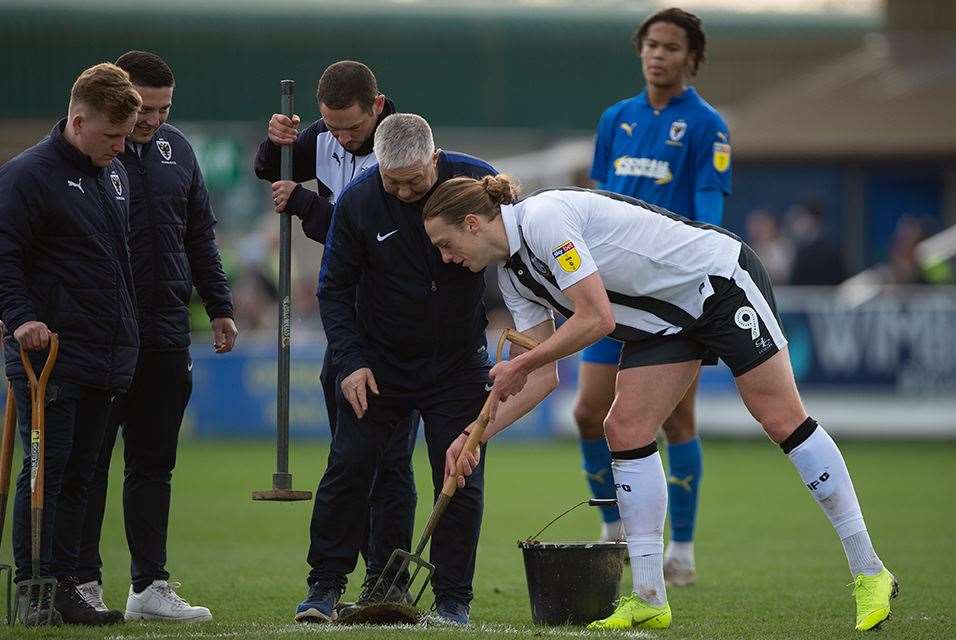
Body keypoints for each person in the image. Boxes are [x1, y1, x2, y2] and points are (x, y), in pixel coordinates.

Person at [422, 175, 898, 632]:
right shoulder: (512, 278)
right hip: (665, 323)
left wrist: (521, 365)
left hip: (719, 283)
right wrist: (474, 436)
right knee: (625, 428)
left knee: (780, 419)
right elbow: (543, 377)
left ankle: (870, 570)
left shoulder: (544, 219)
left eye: (445, 245)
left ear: (472, 223)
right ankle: (649, 598)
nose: (446, 259)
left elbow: (595, 318)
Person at [296, 113, 508, 626]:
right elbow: (334, 290)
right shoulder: (359, 201)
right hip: (379, 363)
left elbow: (518, 248)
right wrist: (350, 362)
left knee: (458, 473)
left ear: (435, 159)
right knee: (350, 466)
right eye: (393, 181)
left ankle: (453, 598)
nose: (404, 191)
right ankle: (324, 586)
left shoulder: (477, 182)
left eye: (415, 179)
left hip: (457, 363)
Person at [71, 51, 236, 623]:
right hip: (105, 334)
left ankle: (150, 585)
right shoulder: (90, 156)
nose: (154, 120)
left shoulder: (178, 151)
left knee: (153, 462)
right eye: (145, 108)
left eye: (166, 109)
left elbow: (200, 238)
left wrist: (219, 306)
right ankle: (82, 581)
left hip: (166, 332)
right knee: (89, 462)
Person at [253, 60, 419, 606]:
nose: (340, 138)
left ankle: (385, 580)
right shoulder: (323, 135)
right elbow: (268, 168)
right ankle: (332, 582)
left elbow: (367, 236)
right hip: (344, 321)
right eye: (330, 127)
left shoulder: (402, 154)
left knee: (388, 463)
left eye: (350, 128)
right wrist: (274, 141)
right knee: (350, 460)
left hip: (395, 322)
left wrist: (305, 204)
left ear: (377, 107)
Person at [583, 8, 731, 586]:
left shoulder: (706, 125)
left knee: (677, 421)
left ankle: (683, 553)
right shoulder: (615, 119)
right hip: (609, 295)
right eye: (650, 45)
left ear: (690, 58)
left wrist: (693, 276)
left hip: (672, 297)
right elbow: (595, 202)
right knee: (588, 412)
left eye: (670, 47)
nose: (657, 55)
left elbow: (710, 217)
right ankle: (610, 530)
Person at [0, 62, 142, 626]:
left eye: (125, 137)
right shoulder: (26, 177)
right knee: (46, 471)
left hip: (105, 355)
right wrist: (19, 318)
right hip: (48, 356)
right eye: (111, 136)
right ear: (78, 121)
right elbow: (4, 256)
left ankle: (66, 585)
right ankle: (36, 587)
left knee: (82, 476)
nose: (119, 146)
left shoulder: (111, 172)